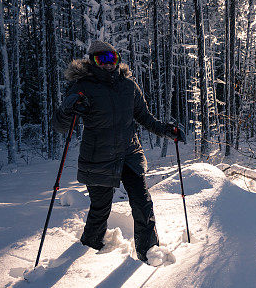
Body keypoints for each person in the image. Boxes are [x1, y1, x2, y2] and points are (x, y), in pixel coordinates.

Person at [53, 40, 185, 263]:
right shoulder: (82, 86)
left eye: (111, 59)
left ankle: (149, 251)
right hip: (98, 157)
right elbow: (60, 125)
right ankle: (90, 249)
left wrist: (167, 130)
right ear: (92, 61)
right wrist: (69, 107)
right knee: (100, 208)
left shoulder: (128, 86)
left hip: (129, 153)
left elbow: (145, 118)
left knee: (143, 203)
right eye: (101, 60)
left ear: (117, 60)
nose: (107, 64)